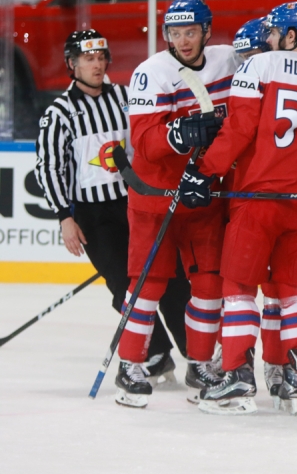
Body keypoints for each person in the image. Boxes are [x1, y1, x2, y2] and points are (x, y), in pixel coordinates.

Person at [177, 2, 297, 415]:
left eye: (275, 33)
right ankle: (291, 376)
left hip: (258, 198)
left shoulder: (260, 68)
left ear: (291, 36)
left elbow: (239, 130)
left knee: (238, 287)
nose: (269, 40)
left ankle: (238, 375)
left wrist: (205, 171)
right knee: (295, 291)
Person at [34, 29, 191, 387]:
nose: (97, 63)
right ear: (72, 64)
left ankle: (196, 357)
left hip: (140, 203)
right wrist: (64, 217)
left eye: (101, 57)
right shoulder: (60, 112)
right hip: (96, 217)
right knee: (125, 289)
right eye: (88, 58)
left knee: (170, 282)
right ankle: (155, 352)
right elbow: (49, 166)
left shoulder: (125, 97)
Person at [114, 0, 238, 408]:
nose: (182, 41)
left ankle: (199, 363)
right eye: (174, 33)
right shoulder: (152, 73)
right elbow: (145, 143)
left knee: (209, 283)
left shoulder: (228, 60)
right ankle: (131, 364)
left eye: (189, 32)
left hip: (204, 195)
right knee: (148, 284)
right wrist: (180, 133)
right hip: (157, 198)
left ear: (206, 30)